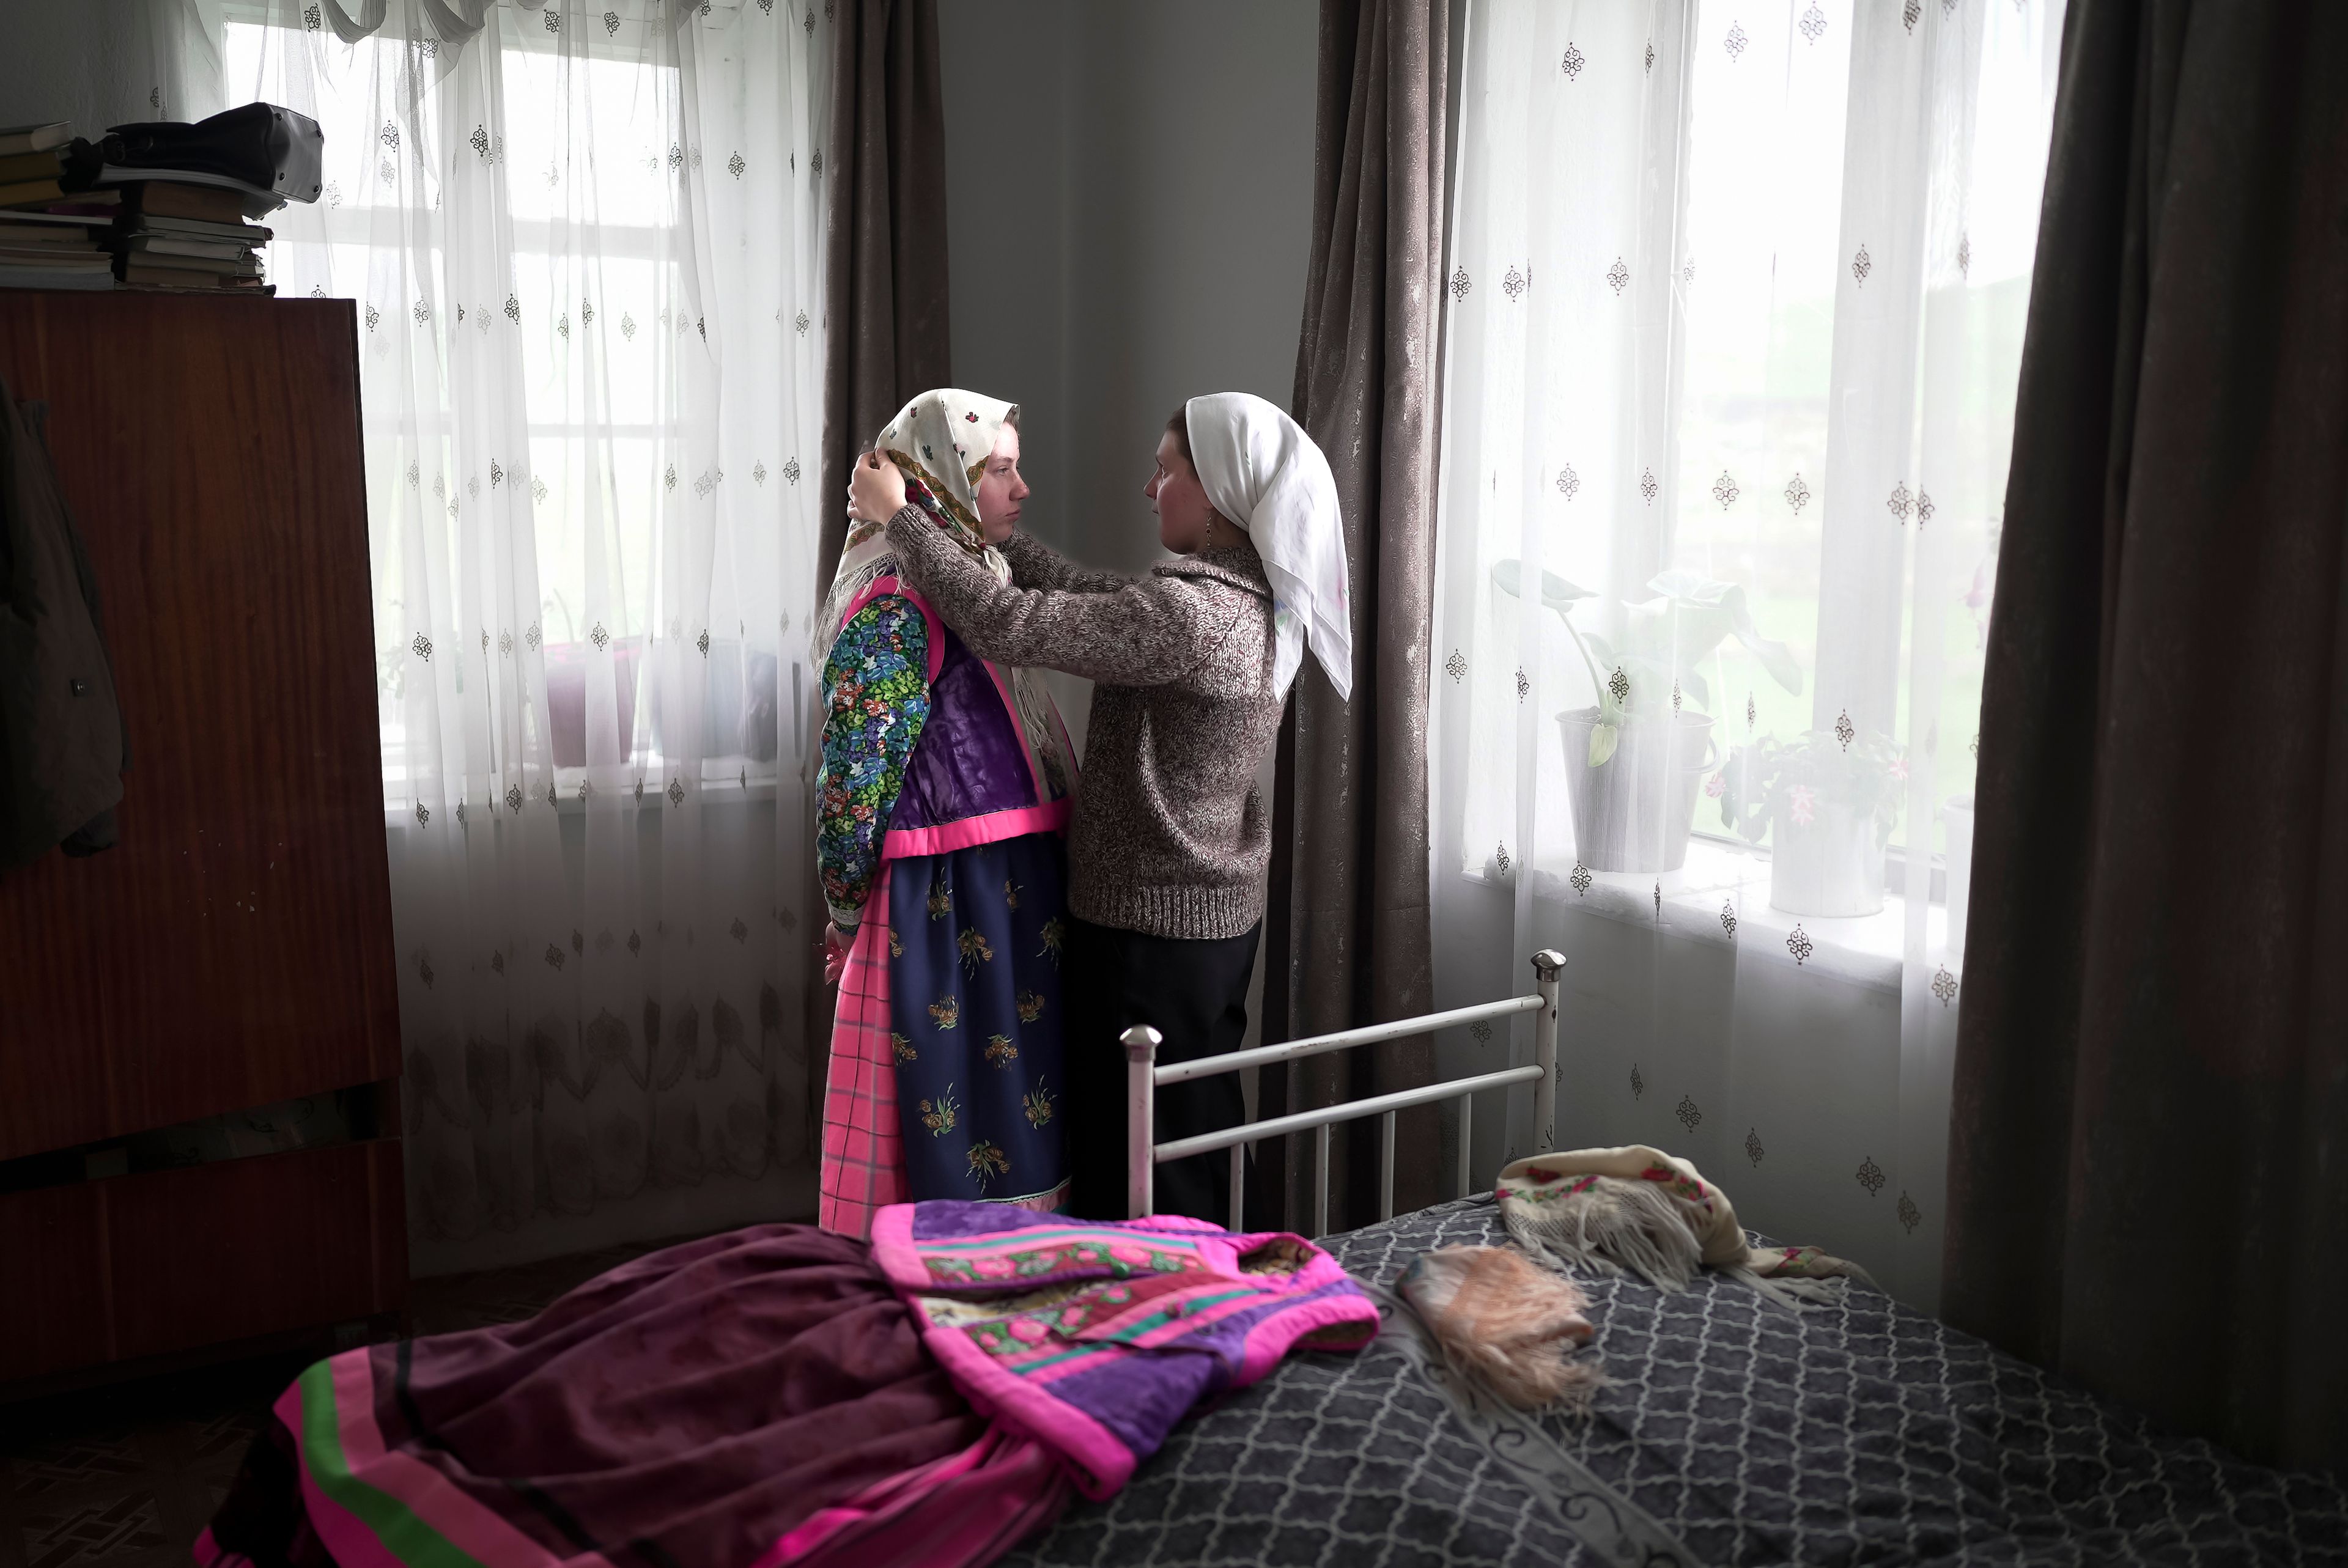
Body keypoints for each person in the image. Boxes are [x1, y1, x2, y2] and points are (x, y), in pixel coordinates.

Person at [848, 391, 1349, 1225]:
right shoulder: (1246, 599)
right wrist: (986, 542)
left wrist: (906, 525)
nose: (1150, 490)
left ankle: (1167, 1311)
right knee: (1193, 1125)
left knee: (1139, 1160)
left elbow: (1013, 624)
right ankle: (1220, 1279)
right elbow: (1091, 597)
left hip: (1147, 931)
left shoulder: (1193, 617)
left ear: (1219, 492)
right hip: (1207, 915)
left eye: (1165, 472)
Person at [814, 389, 1082, 1239]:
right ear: (943, 486)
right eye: (999, 470)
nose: (1022, 487)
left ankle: (1016, 1280)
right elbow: (856, 777)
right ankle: (942, 1287)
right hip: (945, 902)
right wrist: (846, 907)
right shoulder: (897, 604)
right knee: (953, 1106)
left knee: (1016, 1104)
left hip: (1009, 893)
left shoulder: (974, 580)